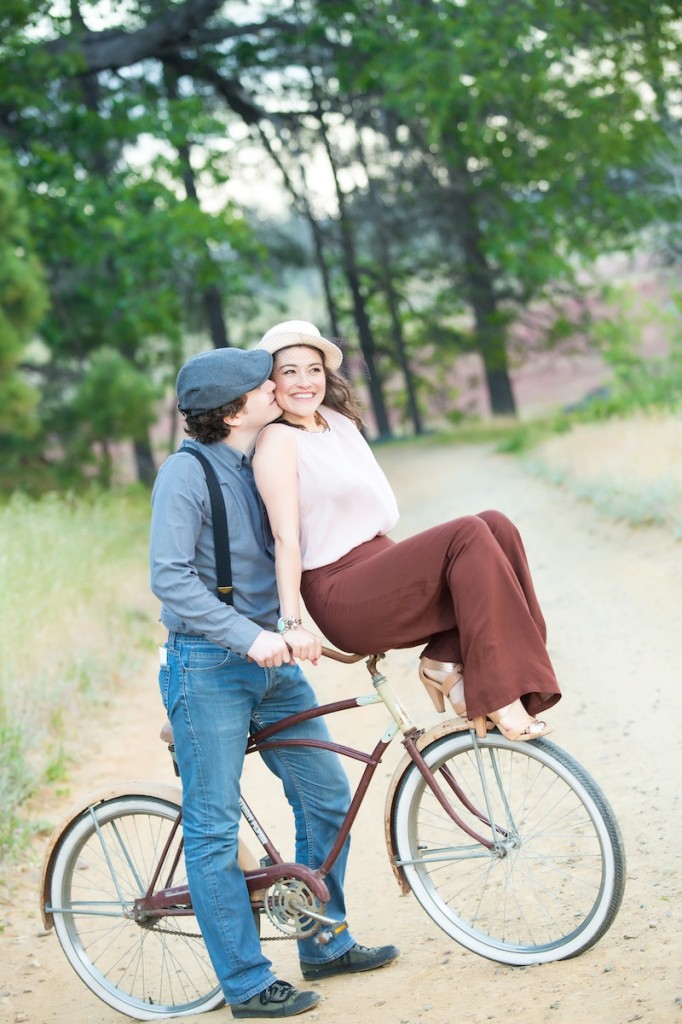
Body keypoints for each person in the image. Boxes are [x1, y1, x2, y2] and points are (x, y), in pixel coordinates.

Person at [150, 346, 399, 1020]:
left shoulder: (266, 458)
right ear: (234, 410)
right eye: (265, 384)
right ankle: (247, 984)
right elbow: (170, 577)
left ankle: (324, 941)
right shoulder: (186, 474)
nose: (281, 387)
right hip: (211, 667)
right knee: (212, 826)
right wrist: (252, 636)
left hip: (274, 665)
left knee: (325, 798)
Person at [252, 320, 561, 740]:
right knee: (468, 532)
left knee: (495, 525)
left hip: (379, 562)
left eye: (314, 369)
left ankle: (448, 662)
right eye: (289, 371)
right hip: (341, 589)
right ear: (270, 381)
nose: (304, 382)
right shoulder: (276, 441)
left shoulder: (337, 422)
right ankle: (498, 695)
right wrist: (291, 624)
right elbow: (286, 538)